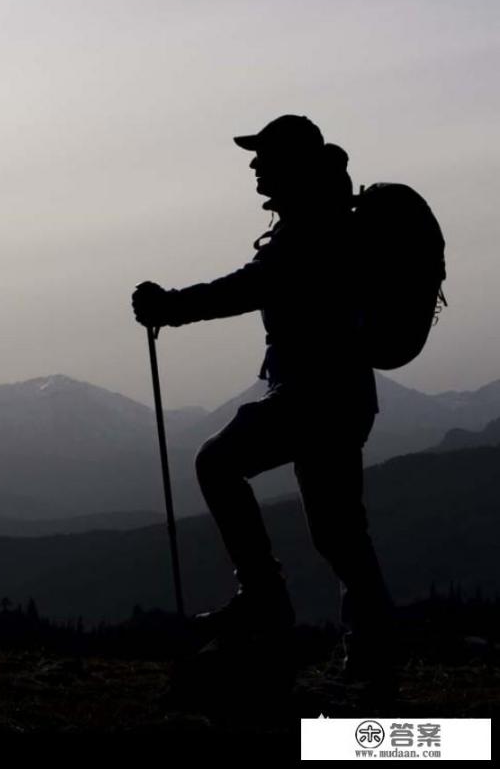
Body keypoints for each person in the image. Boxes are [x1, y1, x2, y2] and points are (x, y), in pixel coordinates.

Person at [131, 115, 395, 689]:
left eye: (264, 157)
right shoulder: (328, 219)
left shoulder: (310, 229)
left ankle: (264, 599)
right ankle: (370, 662)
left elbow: (250, 288)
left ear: (292, 164)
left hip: (313, 393)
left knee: (218, 462)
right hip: (342, 394)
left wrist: (168, 306)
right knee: (340, 533)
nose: (254, 165)